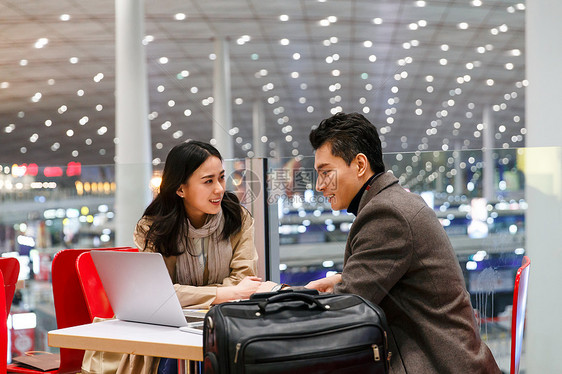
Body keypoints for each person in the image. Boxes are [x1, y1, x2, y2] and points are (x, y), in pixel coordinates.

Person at [304, 112, 500, 373]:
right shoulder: (393, 201)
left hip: (439, 365)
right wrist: (342, 280)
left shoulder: (386, 214)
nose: (319, 185)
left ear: (360, 165)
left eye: (326, 172)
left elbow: (347, 307)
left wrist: (287, 304)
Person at [119, 140, 265, 374]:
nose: (219, 189)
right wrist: (223, 293)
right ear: (180, 189)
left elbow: (244, 281)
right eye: (208, 181)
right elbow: (158, 295)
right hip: (168, 332)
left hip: (225, 324)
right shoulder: (153, 229)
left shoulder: (237, 217)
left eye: (221, 177)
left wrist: (191, 295)